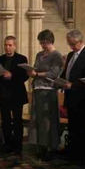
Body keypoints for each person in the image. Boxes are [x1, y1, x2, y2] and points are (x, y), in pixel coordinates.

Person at [61, 30, 85, 164]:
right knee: (72, 127)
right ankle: (73, 153)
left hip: (82, 97)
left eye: (73, 44)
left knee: (81, 128)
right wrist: (61, 81)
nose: (71, 47)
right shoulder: (71, 54)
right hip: (70, 96)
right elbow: (66, 73)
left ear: (80, 41)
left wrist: (73, 85)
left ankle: (82, 156)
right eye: (69, 44)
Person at [27, 29, 64, 160]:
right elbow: (35, 68)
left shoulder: (56, 55)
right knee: (38, 120)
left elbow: (54, 73)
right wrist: (31, 72)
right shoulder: (39, 54)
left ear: (51, 41)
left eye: (45, 42)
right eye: (41, 42)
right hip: (37, 88)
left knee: (47, 120)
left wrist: (37, 74)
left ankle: (50, 147)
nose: (43, 45)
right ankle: (40, 145)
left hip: (48, 90)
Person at [0, 36, 29, 154]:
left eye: (10, 45)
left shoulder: (21, 58)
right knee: (5, 120)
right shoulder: (0, 59)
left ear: (15, 46)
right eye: (5, 45)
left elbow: (25, 76)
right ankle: (7, 143)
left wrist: (12, 76)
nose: (7, 47)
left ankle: (18, 144)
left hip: (16, 94)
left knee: (17, 119)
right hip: (3, 94)